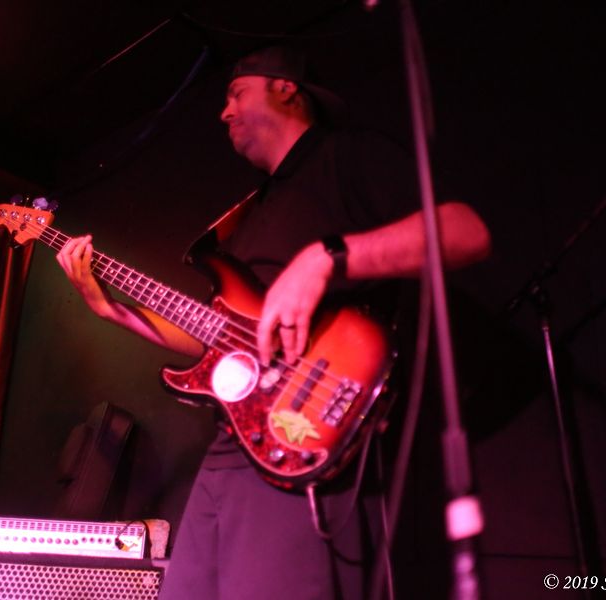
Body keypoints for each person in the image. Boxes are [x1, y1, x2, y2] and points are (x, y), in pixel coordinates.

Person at [56, 46, 491, 600]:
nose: (224, 112)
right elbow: (221, 338)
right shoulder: (251, 214)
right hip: (232, 449)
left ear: (287, 88)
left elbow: (465, 232)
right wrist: (110, 309)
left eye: (237, 93)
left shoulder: (347, 156)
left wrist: (326, 258)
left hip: (304, 441)